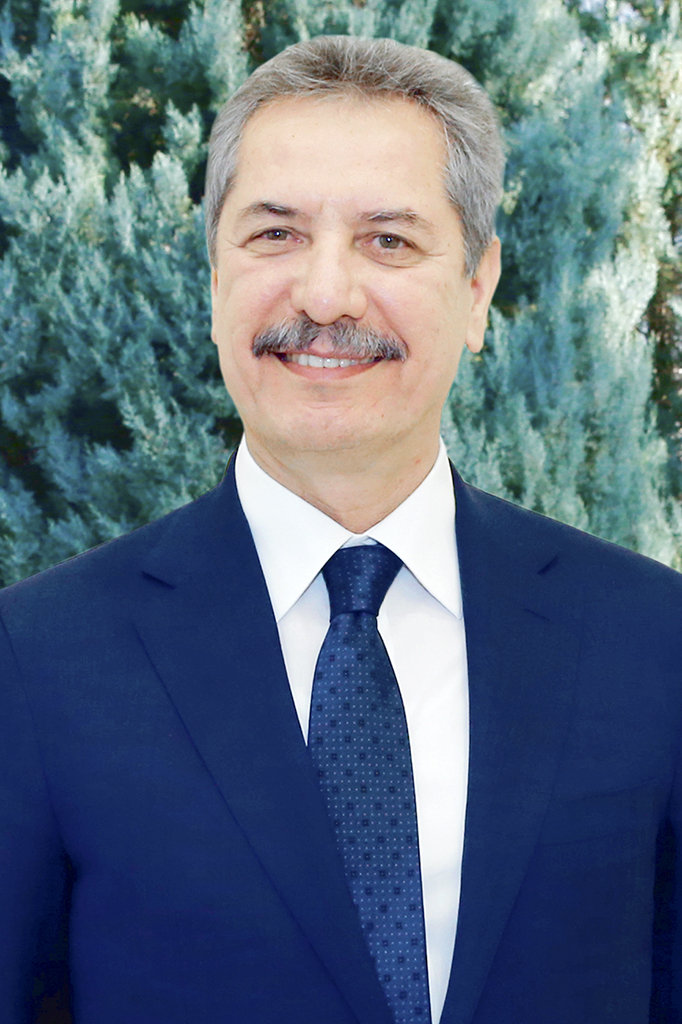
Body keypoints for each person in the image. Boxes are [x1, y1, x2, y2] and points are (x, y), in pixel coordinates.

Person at [1, 34, 681, 1024]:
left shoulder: (652, 640)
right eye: (275, 234)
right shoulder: (34, 658)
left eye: (388, 240)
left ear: (478, 288)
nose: (324, 295)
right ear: (213, 279)